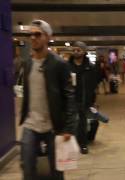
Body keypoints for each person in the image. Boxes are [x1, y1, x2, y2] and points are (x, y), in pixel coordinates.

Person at [20, 20, 76, 180]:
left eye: (37, 34)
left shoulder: (59, 64)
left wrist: (68, 127)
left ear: (48, 37)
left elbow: (69, 96)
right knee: (28, 168)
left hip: (53, 126)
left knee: (56, 170)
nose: (33, 38)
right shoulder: (28, 63)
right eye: (30, 34)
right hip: (31, 124)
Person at [69, 41, 99, 154]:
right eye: (74, 50)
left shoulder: (90, 67)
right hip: (70, 98)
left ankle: (83, 144)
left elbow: (93, 85)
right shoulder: (67, 66)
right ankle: (71, 144)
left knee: (82, 122)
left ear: (84, 51)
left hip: (84, 99)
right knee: (71, 122)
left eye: (79, 50)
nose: (76, 52)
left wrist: (93, 101)